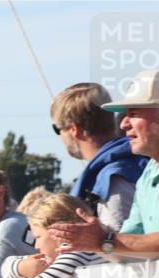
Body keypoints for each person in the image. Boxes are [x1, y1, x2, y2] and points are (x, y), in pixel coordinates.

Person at [51, 69, 159, 258]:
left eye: (133, 112)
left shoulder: (117, 175)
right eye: (124, 114)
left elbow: (119, 244)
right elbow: (128, 248)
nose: (124, 123)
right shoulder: (148, 173)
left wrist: (105, 241)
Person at [2, 193, 108, 278]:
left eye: (38, 237)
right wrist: (22, 267)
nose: (36, 245)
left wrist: (41, 269)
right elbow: (5, 268)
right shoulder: (67, 254)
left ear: (58, 233)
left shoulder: (77, 253)